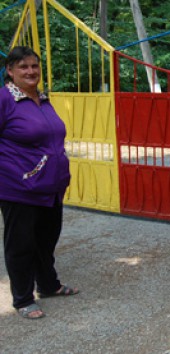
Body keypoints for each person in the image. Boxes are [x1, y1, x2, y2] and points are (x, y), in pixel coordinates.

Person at [0, 46, 78, 320]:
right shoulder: (4, 100)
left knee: (46, 240)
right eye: (23, 67)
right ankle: (22, 298)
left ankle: (48, 285)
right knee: (21, 244)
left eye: (34, 66)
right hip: (18, 189)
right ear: (10, 71)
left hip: (51, 187)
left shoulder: (42, 99)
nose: (31, 71)